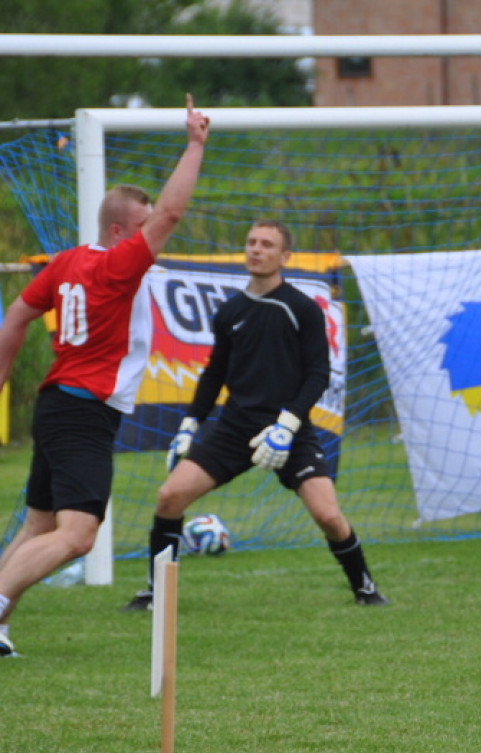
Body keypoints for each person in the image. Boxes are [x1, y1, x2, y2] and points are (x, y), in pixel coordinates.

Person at [0, 96, 211, 658]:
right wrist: (194, 144)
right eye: (142, 230)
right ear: (122, 231)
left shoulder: (67, 261)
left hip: (57, 403)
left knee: (38, 526)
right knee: (79, 535)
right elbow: (170, 214)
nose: (153, 238)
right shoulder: (118, 266)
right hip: (83, 410)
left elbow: (17, 315)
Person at [122, 219, 387, 612]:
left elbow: (317, 375)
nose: (256, 250)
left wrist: (287, 425)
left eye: (266, 244)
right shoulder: (230, 311)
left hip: (289, 431)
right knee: (169, 497)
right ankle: (156, 592)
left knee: (329, 515)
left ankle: (365, 588)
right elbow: (215, 372)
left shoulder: (302, 309)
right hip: (234, 429)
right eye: (251, 242)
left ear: (285, 256)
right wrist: (190, 424)